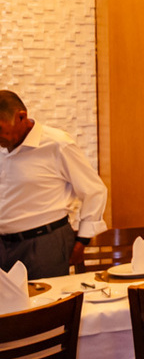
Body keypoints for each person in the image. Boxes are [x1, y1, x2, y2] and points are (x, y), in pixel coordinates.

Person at [0, 90, 108, 278]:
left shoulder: (57, 144)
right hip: (3, 246)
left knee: (46, 304)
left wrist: (83, 240)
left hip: (44, 243)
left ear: (21, 116)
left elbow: (94, 191)